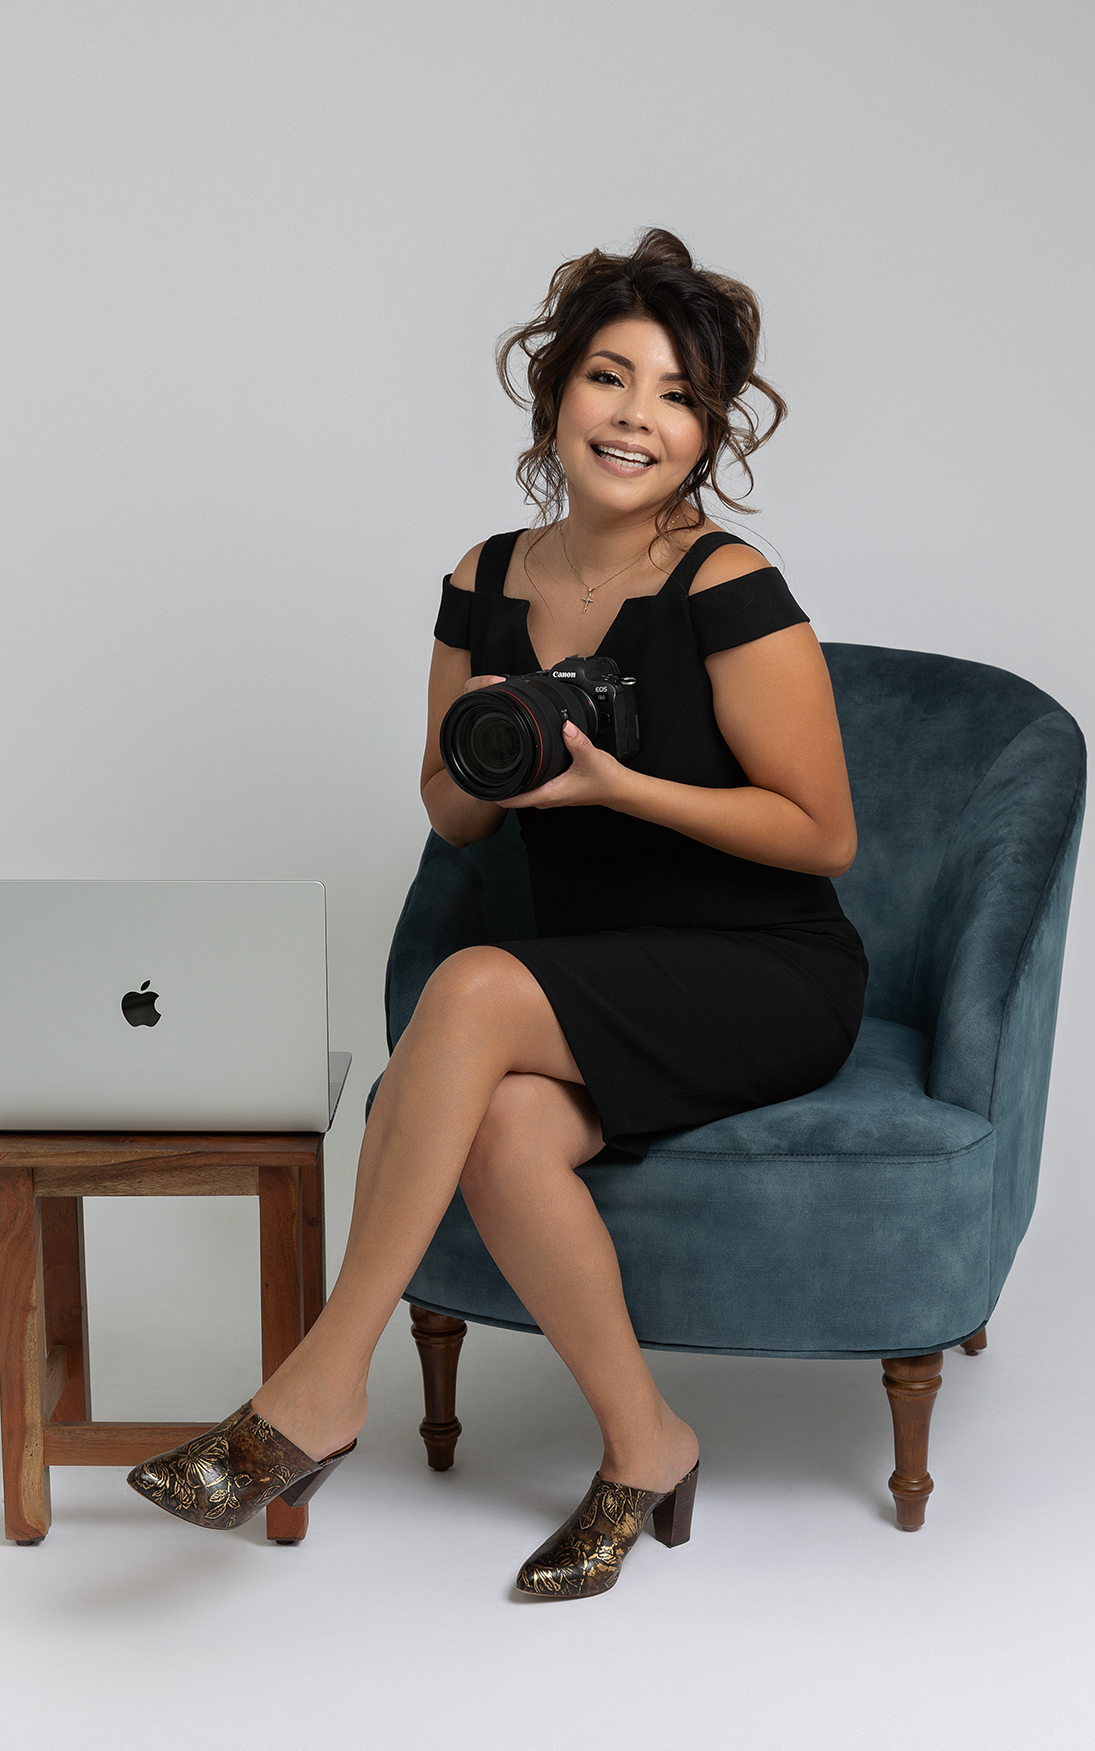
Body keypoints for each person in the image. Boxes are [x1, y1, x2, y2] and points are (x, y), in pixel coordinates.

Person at [128, 228, 867, 1599]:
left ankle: (315, 1393)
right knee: (511, 1125)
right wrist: (492, 745)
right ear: (553, 399)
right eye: (608, 377)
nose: (636, 417)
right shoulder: (481, 578)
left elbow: (822, 833)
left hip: (763, 971)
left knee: (467, 989)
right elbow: (453, 815)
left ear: (707, 433)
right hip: (598, 974)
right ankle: (647, 1445)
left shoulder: (727, 586)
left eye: (676, 396)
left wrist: (619, 785)